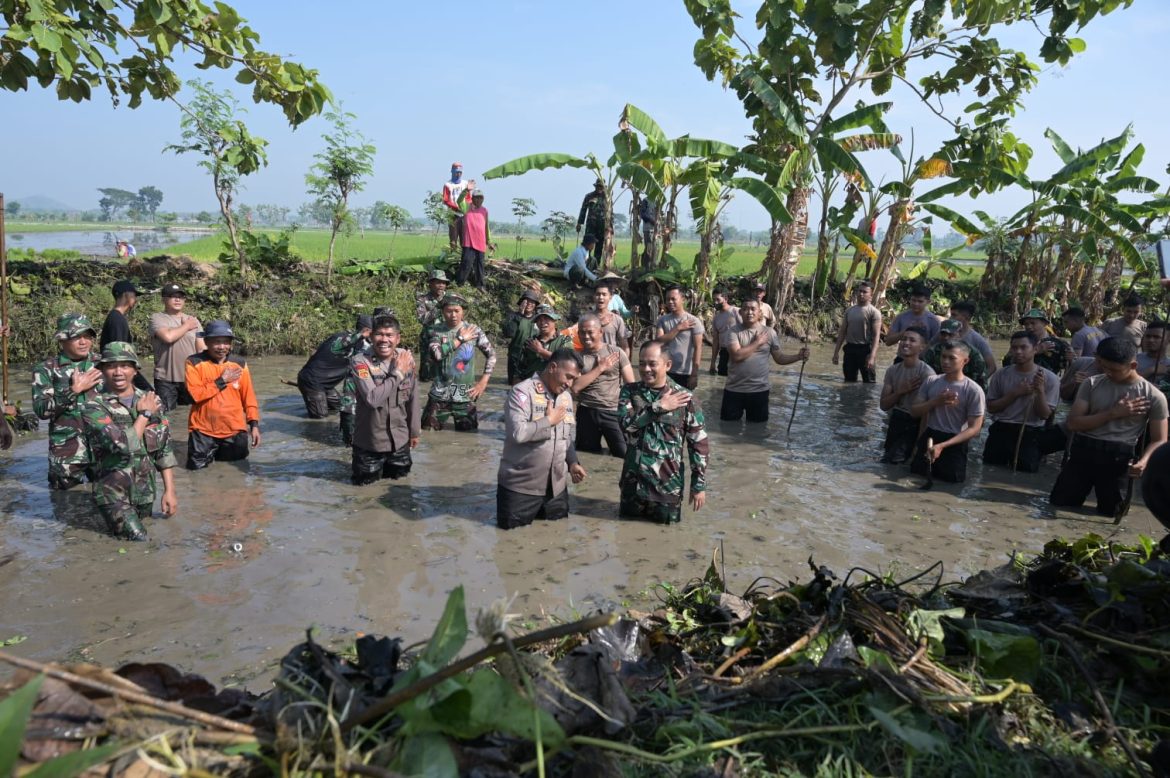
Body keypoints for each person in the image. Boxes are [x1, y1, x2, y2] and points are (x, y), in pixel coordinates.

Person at [1050, 337, 1168, 516]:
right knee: (1059, 504)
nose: (1108, 373)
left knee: (1112, 513)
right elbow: (1073, 423)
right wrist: (1112, 413)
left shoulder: (1153, 396)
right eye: (1104, 366)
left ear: (1133, 366)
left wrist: (1143, 462)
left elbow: (1160, 439)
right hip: (1083, 452)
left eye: (1114, 369)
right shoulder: (1091, 383)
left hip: (1119, 459)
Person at [81, 342, 177, 540]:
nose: (118, 372)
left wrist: (169, 491)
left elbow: (163, 450)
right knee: (140, 541)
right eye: (111, 366)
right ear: (101, 370)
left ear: (135, 370)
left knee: (129, 543)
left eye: (125, 365)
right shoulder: (93, 407)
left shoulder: (152, 400)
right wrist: (145, 414)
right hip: (112, 493)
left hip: (145, 491)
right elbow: (122, 445)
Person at [618, 341, 709, 524]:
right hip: (632, 484)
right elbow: (626, 425)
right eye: (642, 363)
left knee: (667, 542)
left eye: (652, 363)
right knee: (625, 537)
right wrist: (658, 407)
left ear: (667, 365)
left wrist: (698, 485)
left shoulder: (685, 398)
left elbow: (698, 444)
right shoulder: (629, 391)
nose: (646, 369)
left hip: (667, 486)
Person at [497, 349, 588, 529]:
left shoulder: (566, 397)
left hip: (556, 490)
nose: (570, 384)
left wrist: (572, 463)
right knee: (512, 547)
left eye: (574, 379)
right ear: (553, 367)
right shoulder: (521, 392)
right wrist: (548, 421)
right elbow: (517, 433)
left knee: (557, 540)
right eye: (568, 377)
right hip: (520, 489)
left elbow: (567, 436)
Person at [32, 313, 104, 489]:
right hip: (66, 450)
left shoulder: (103, 364)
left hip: (102, 447)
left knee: (106, 503)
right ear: (62, 340)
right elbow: (42, 411)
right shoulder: (46, 369)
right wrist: (73, 391)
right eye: (76, 337)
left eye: (87, 336)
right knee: (65, 505)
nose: (83, 342)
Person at [349, 315, 421, 486]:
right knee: (364, 494)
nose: (384, 340)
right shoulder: (360, 362)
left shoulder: (405, 358)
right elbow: (372, 399)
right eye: (380, 334)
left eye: (389, 335)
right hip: (369, 444)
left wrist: (415, 431)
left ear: (398, 338)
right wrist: (398, 374)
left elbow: (413, 398)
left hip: (400, 442)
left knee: (402, 491)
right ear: (371, 336)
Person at [184, 320, 261, 469]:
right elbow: (194, 395)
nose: (221, 347)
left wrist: (254, 425)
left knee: (236, 472)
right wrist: (222, 381)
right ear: (206, 342)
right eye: (216, 342)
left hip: (235, 431)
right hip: (202, 431)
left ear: (231, 344)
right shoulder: (193, 362)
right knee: (196, 475)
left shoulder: (240, 363)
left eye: (226, 342)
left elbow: (249, 397)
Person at [982, 331, 1062, 472]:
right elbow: (991, 408)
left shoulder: (1049, 378)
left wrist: (1040, 391)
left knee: (1025, 472)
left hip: (1030, 433)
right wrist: (1015, 394)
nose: (1018, 352)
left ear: (1035, 349)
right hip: (1001, 430)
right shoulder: (1001, 374)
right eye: (1014, 348)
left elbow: (1044, 415)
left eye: (1023, 347)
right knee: (989, 470)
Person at [720, 298, 809, 423]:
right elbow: (736, 356)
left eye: (753, 309)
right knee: (728, 428)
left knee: (757, 431)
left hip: (759, 391)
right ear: (740, 313)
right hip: (734, 390)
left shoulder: (770, 333)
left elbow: (779, 358)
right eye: (745, 309)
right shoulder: (733, 332)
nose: (749, 312)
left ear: (760, 313)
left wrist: (798, 356)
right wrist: (757, 343)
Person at [910, 342, 986, 483]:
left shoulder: (973, 390)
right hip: (930, 436)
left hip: (955, 441)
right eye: (943, 357)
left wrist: (943, 446)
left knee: (950, 486)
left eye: (952, 358)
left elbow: (975, 428)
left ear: (965, 361)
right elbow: (914, 411)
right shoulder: (931, 381)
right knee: (917, 479)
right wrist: (935, 402)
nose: (945, 361)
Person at [423, 293, 496, 431]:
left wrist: (483, 382)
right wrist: (461, 338)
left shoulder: (474, 331)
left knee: (468, 439)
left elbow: (491, 355)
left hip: (464, 395)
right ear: (443, 312)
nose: (453, 315)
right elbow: (437, 354)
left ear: (463, 311)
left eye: (457, 311)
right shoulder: (434, 331)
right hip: (439, 394)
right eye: (449, 311)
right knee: (428, 435)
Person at [573, 314, 636, 458]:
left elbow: (631, 385)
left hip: (612, 411)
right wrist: (600, 368)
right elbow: (575, 387)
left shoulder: (616, 352)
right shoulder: (576, 357)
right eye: (582, 332)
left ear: (600, 332)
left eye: (590, 332)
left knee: (624, 454)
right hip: (586, 411)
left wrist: (631, 411)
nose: (586, 336)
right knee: (587, 455)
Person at [296, 315, 373, 418]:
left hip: (326, 384)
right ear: (367, 331)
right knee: (320, 418)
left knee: (340, 408)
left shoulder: (361, 344)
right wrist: (361, 335)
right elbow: (346, 342)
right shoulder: (342, 338)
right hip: (312, 381)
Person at [879, 327, 934, 464]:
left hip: (915, 423)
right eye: (903, 339)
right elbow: (884, 405)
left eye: (912, 340)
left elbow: (927, 413)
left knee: (896, 463)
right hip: (896, 419)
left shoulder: (927, 374)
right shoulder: (893, 370)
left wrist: (919, 443)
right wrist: (900, 391)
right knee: (888, 460)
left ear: (922, 347)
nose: (906, 343)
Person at [149, 283, 205, 412]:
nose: (177, 299)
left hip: (191, 378)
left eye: (180, 297)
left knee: (192, 415)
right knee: (166, 416)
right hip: (165, 380)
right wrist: (186, 326)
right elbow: (168, 337)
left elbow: (201, 348)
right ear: (164, 299)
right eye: (173, 296)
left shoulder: (194, 321)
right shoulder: (157, 318)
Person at [101, 279, 152, 391]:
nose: (135, 300)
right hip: (119, 375)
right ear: (126, 295)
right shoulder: (117, 320)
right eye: (134, 296)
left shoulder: (116, 317)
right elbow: (119, 355)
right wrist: (143, 386)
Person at [655, 286, 705, 389]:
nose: (670, 302)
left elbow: (698, 348)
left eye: (673, 299)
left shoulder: (693, 321)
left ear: (683, 299)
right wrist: (678, 328)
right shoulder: (662, 320)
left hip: (685, 372)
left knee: (685, 403)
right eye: (668, 299)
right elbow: (659, 341)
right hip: (665, 370)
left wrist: (694, 375)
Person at [832, 281, 882, 383]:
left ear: (871, 295)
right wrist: (836, 352)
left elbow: (876, 336)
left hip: (865, 350)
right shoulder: (849, 311)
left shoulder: (874, 312)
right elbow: (842, 333)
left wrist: (872, 356)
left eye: (865, 292)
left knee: (869, 383)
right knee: (849, 381)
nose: (861, 294)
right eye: (859, 291)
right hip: (850, 349)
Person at [923, 319, 989, 388]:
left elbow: (981, 383)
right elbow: (924, 376)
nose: (946, 337)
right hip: (937, 388)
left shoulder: (974, 355)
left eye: (950, 334)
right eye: (943, 334)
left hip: (965, 390)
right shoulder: (932, 351)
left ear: (960, 334)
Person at [516, 305, 573, 380]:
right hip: (531, 385)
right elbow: (519, 369)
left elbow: (566, 362)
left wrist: (540, 351)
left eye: (546, 319)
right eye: (539, 320)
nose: (542, 322)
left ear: (554, 320)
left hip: (555, 385)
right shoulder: (530, 342)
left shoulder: (565, 340)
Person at [1010, 308, 1070, 376]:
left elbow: (1070, 368)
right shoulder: (1019, 342)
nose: (1029, 327)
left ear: (1045, 323)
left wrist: (1071, 359)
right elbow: (1007, 364)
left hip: (1049, 382)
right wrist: (1036, 351)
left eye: (1033, 323)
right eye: (1026, 324)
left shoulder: (1060, 344)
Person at [416, 269, 450, 381]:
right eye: (438, 282)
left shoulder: (450, 298)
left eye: (443, 283)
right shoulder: (422, 299)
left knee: (445, 369)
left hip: (446, 336)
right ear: (430, 284)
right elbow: (422, 319)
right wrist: (438, 308)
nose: (441, 285)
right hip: (428, 336)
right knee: (426, 372)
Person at [457, 190, 495, 289]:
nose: (478, 200)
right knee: (466, 263)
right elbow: (459, 200)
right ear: (472, 198)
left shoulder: (484, 210)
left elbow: (486, 227)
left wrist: (489, 241)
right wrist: (466, 190)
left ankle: (480, 285)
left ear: (483, 199)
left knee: (480, 265)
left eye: (480, 198)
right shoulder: (466, 207)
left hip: (481, 242)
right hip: (468, 241)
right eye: (476, 197)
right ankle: (459, 284)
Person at [947, 301, 996, 377]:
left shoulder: (977, 340)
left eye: (954, 315)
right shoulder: (943, 334)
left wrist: (979, 382)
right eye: (951, 315)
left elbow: (992, 367)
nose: (950, 318)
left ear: (966, 317)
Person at [503, 289, 541, 385]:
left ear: (535, 305)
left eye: (532, 302)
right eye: (526, 301)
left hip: (532, 357)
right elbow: (509, 333)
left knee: (530, 384)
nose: (529, 304)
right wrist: (520, 314)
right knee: (512, 385)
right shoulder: (513, 316)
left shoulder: (539, 319)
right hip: (515, 357)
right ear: (521, 303)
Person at [708, 289, 740, 376]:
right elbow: (715, 341)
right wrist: (712, 363)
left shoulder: (736, 312)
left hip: (739, 350)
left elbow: (747, 330)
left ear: (725, 299)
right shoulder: (716, 318)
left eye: (718, 299)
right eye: (714, 300)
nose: (715, 302)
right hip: (724, 352)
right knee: (722, 376)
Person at [576, 180, 608, 267]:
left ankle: (595, 266)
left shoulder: (607, 197)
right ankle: (585, 265)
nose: (599, 188)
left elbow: (610, 213)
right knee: (587, 245)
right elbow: (583, 210)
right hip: (591, 225)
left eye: (601, 186)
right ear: (595, 186)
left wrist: (610, 226)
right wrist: (579, 223)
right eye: (598, 186)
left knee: (599, 246)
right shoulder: (589, 196)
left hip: (602, 225)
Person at [593, 284, 631, 356]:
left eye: (604, 294)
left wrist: (625, 364)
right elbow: (573, 340)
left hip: (611, 361)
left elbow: (625, 346)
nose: (601, 297)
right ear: (593, 297)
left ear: (610, 297)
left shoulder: (617, 319)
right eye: (598, 294)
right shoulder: (586, 318)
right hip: (592, 362)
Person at [442, 162, 473, 250]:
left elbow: (468, 198)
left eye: (460, 172)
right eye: (456, 172)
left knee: (464, 239)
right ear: (452, 172)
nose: (458, 174)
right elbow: (446, 200)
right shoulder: (447, 185)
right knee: (453, 238)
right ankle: (453, 254)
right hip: (452, 215)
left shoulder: (465, 184)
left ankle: (463, 258)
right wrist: (456, 208)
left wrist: (465, 207)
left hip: (464, 215)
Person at [639, 197, 657, 262]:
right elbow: (642, 214)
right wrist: (651, 220)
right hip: (648, 229)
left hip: (656, 231)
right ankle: (647, 267)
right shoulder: (645, 200)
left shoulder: (657, 200)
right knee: (648, 249)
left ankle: (653, 266)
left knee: (655, 249)